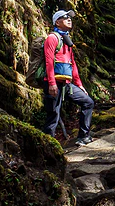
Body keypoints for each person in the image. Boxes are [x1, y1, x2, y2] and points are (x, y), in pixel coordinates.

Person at [36, 9, 94, 146]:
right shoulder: (52, 38)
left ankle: (83, 136)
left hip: (66, 84)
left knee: (88, 102)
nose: (69, 19)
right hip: (53, 83)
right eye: (65, 17)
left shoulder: (66, 40)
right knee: (53, 117)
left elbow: (72, 64)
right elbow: (49, 61)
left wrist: (79, 84)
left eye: (70, 17)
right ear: (57, 22)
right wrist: (51, 83)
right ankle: (48, 147)